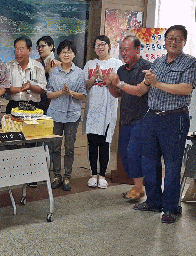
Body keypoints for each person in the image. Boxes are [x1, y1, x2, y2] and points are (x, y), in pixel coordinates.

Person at [132, 25, 196, 224]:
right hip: (152, 117)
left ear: (184, 41)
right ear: (165, 40)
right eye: (170, 38)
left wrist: (157, 83)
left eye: (177, 38)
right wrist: (146, 81)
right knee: (149, 161)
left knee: (171, 164)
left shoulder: (190, 62)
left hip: (174, 118)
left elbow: (186, 89)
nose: (173, 41)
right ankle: (153, 201)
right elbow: (144, 89)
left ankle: (170, 207)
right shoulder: (158, 62)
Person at [104, 35, 152, 201]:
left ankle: (140, 188)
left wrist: (119, 84)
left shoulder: (146, 68)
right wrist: (110, 84)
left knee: (134, 153)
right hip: (125, 118)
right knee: (124, 154)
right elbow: (118, 93)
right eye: (122, 49)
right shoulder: (122, 70)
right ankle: (137, 187)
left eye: (127, 49)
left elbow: (139, 90)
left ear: (137, 50)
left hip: (142, 118)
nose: (123, 53)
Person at [83, 35, 123, 189]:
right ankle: (93, 174)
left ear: (109, 46)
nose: (100, 47)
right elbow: (84, 86)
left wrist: (105, 78)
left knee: (104, 143)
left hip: (108, 110)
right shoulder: (90, 64)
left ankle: (102, 175)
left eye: (103, 44)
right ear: (94, 48)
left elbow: (119, 86)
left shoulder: (116, 64)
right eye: (97, 45)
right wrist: (94, 78)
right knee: (92, 142)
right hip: (93, 109)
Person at [47, 40, 86, 190]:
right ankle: (57, 176)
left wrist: (70, 93)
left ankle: (67, 177)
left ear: (74, 54)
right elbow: (49, 94)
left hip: (72, 115)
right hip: (55, 114)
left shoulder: (79, 73)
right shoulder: (54, 72)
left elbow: (82, 94)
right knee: (55, 147)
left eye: (69, 52)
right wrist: (61, 93)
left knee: (69, 147)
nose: (66, 54)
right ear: (59, 54)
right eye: (63, 52)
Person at [6, 36, 46, 114]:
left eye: (21, 49)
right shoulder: (8, 67)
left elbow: (42, 89)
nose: (18, 52)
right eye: (16, 49)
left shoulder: (37, 67)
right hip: (13, 106)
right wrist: (21, 89)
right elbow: (6, 88)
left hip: (33, 107)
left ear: (29, 50)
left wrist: (31, 87)